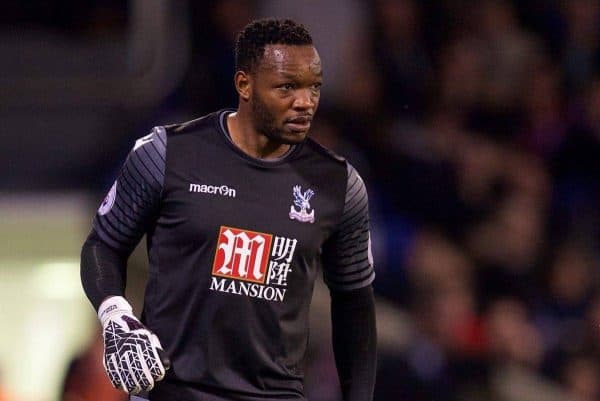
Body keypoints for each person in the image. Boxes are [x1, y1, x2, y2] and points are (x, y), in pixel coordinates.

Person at [80, 18, 376, 401]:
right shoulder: (167, 154)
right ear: (244, 85)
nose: (305, 102)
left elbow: (354, 303)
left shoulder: (339, 185)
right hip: (172, 394)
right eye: (287, 87)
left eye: (314, 87)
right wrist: (114, 314)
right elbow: (102, 245)